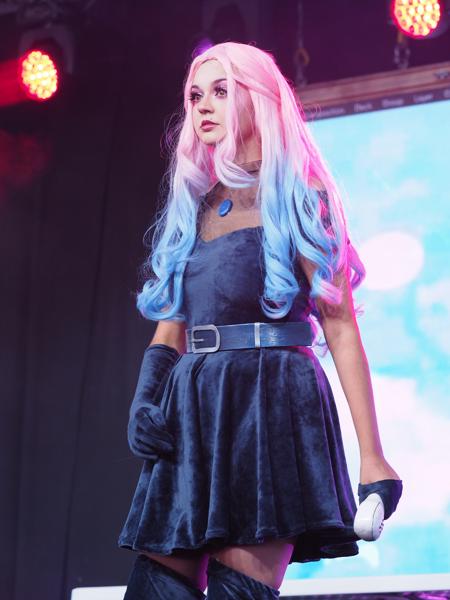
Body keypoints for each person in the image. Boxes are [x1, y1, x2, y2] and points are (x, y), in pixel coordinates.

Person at [117, 41, 403, 599]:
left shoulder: (300, 195)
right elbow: (172, 324)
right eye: (195, 95)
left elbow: (340, 326)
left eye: (221, 91)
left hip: (270, 404)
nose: (203, 105)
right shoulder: (195, 204)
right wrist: (146, 397)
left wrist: (373, 457)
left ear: (258, 98)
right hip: (194, 409)